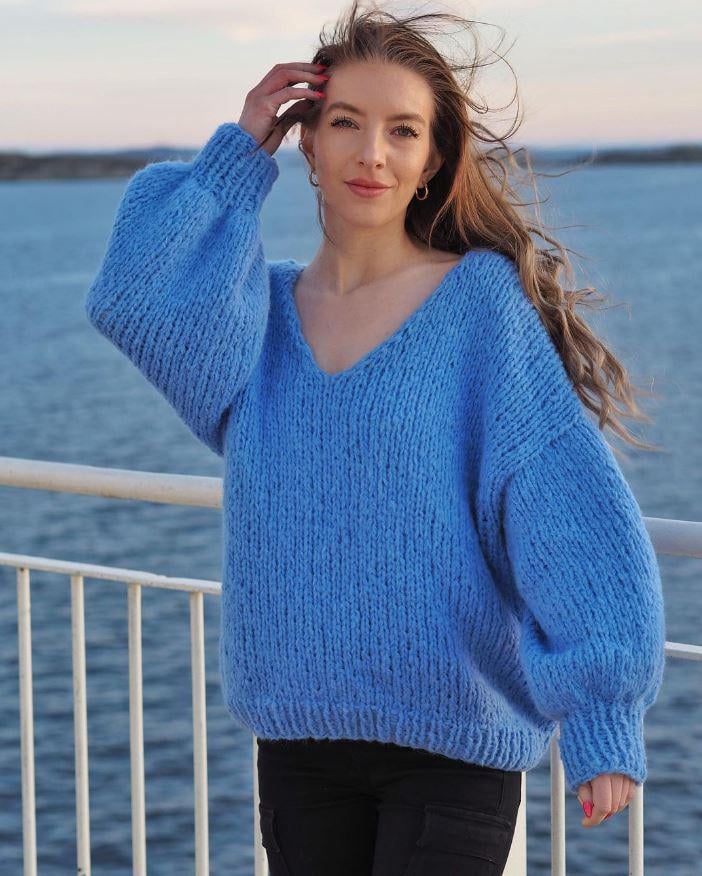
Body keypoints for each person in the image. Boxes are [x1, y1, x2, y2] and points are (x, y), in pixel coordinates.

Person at [84, 3, 667, 873]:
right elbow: (133, 295)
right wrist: (237, 154)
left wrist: (601, 708)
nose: (371, 154)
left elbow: (562, 504)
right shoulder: (254, 319)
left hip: (454, 750)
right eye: (345, 124)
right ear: (307, 142)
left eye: (402, 130)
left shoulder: (479, 306)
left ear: (432, 160)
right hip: (299, 748)